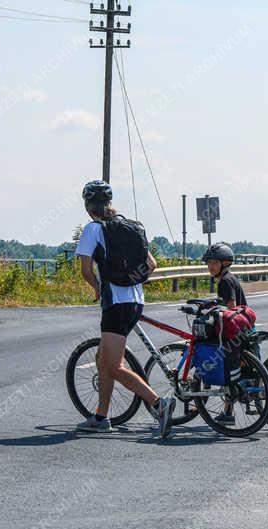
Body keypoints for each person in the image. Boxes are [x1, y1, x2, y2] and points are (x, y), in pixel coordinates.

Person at [74, 180, 175, 438]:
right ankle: (101, 416)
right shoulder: (128, 226)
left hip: (115, 304)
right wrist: (130, 280)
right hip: (135, 300)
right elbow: (151, 264)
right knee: (102, 360)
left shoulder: (93, 229)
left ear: (88, 206)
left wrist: (98, 287)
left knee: (114, 366)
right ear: (109, 203)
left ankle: (158, 404)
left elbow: (85, 270)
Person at [202, 243, 246, 425]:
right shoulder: (228, 278)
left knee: (228, 366)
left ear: (225, 263)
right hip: (243, 328)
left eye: (214, 262)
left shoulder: (226, 281)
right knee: (237, 371)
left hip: (238, 330)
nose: (210, 266)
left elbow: (231, 308)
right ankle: (228, 412)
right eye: (208, 263)